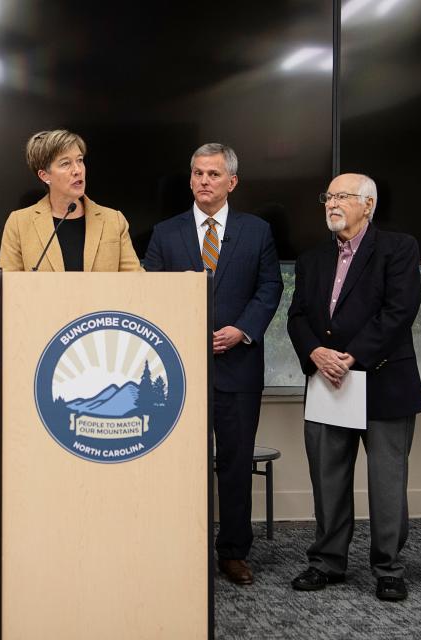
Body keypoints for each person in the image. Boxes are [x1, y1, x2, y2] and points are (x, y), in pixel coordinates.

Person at [144, 143, 283, 585]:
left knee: (236, 464)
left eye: (214, 174)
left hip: (238, 366)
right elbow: (147, 293)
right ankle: (178, 547)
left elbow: (270, 288)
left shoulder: (257, 230)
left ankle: (234, 552)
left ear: (232, 182)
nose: (205, 181)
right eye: (198, 173)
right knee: (178, 463)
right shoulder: (165, 232)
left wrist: (241, 330)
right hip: (177, 370)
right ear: (190, 179)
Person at [287, 173, 421, 602]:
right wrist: (316, 353)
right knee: (328, 477)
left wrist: (351, 356)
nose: (332, 203)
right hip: (327, 381)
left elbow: (400, 308)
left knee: (386, 481)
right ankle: (326, 561)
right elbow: (296, 317)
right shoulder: (311, 259)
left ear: (368, 204)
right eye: (328, 196)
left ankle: (388, 567)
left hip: (382, 379)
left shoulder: (398, 247)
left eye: (342, 196)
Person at [0, 129, 142, 324]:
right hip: (44, 330)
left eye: (80, 160)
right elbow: (7, 281)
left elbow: (136, 283)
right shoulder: (19, 222)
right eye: (65, 163)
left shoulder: (113, 220)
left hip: (103, 333)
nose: (77, 169)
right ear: (44, 175)